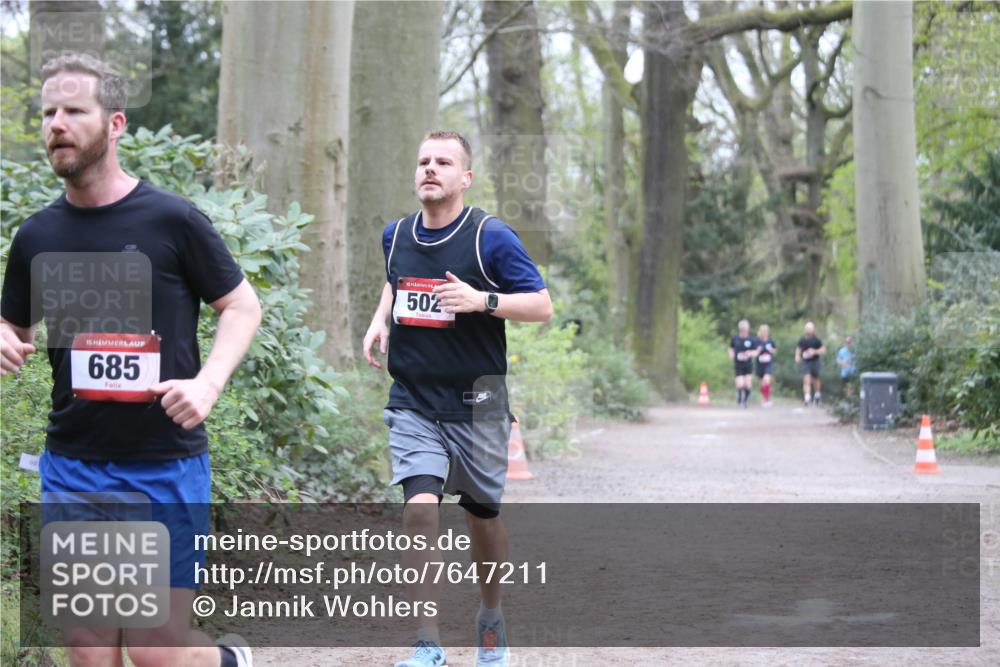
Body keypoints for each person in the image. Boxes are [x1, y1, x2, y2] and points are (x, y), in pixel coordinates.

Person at [0, 54, 261, 667]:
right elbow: (13, 324)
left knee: (154, 651)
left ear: (115, 123)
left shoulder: (171, 220)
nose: (56, 124)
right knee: (89, 650)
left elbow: (241, 306)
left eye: (74, 110)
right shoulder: (37, 236)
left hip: (164, 463)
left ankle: (230, 661)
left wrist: (208, 383)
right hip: (74, 465)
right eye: (48, 113)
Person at [363, 130, 551, 667]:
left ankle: (491, 618)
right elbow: (396, 280)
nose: (430, 168)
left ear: (465, 178)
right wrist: (380, 319)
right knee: (420, 510)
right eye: (424, 160)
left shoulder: (491, 237)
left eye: (443, 162)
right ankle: (427, 641)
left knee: (481, 517)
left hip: (478, 403)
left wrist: (481, 300)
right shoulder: (396, 235)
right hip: (414, 399)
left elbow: (541, 306)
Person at [728, 319, 758, 408]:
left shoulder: (752, 339)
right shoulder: (735, 339)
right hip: (738, 364)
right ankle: (740, 395)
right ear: (740, 329)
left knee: (748, 384)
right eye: (742, 329)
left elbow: (756, 351)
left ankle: (744, 401)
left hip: (748, 364)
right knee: (740, 384)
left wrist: (750, 353)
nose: (744, 331)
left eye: (745, 329)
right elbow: (730, 348)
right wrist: (731, 354)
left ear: (748, 329)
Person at [795, 322, 826, 405]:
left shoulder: (817, 340)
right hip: (806, 362)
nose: (808, 330)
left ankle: (817, 394)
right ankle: (807, 397)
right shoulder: (802, 340)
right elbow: (798, 348)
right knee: (806, 378)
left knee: (815, 380)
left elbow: (823, 350)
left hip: (815, 361)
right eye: (807, 328)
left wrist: (815, 351)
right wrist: (797, 356)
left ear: (813, 329)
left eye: (810, 328)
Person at [754, 324, 777, 407]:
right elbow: (754, 351)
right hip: (760, 364)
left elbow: (775, 350)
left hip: (768, 364)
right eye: (763, 331)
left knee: (766, 380)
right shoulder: (757, 341)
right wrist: (758, 350)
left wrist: (771, 350)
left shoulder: (770, 341)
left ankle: (768, 399)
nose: (765, 333)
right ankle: (764, 399)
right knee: (762, 384)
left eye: (766, 331)